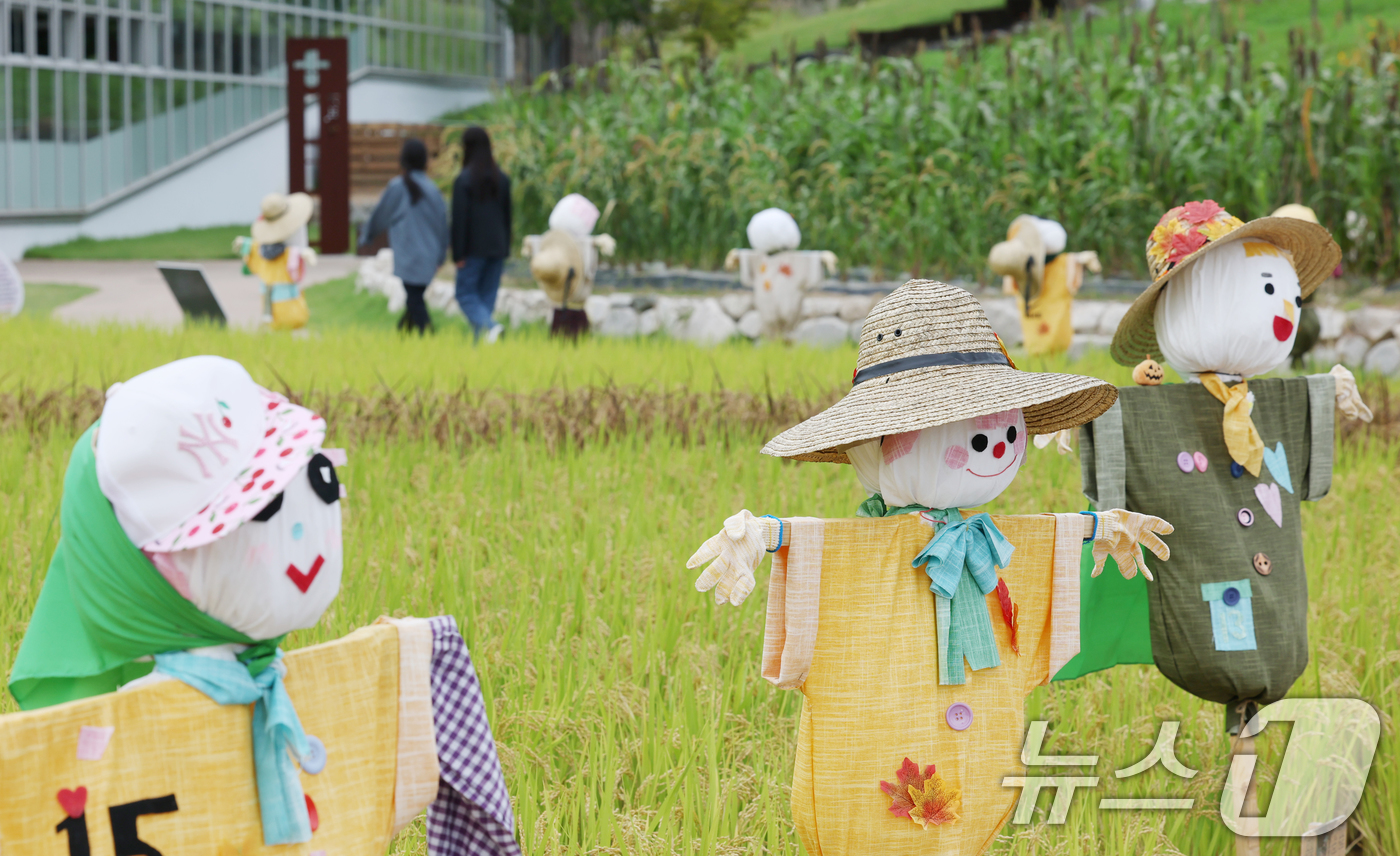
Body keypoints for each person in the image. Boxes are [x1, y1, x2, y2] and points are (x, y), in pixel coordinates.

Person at [686, 281, 1171, 854]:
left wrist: (1105, 525)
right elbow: (808, 538)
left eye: (1007, 432)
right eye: (964, 431)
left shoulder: (997, 536)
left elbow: (1049, 529)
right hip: (871, 780)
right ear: (877, 442)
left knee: (976, 791)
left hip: (983, 747)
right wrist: (760, 535)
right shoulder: (861, 548)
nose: (996, 449)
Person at [358, 138, 450, 335]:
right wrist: (441, 255)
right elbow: (443, 225)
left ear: (403, 160)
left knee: (414, 299)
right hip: (429, 256)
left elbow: (381, 214)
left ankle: (429, 335)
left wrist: (367, 236)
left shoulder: (398, 186)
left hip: (409, 256)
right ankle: (403, 334)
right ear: (426, 161)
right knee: (414, 296)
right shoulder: (433, 190)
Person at [451, 126, 512, 342]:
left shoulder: (464, 180)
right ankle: (482, 344)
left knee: (465, 295)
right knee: (485, 299)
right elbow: (507, 217)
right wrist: (506, 248)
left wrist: (457, 254)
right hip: (497, 247)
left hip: (472, 250)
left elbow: (459, 220)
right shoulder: (502, 179)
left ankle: (492, 327)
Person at [235, 192, 318, 331]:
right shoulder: (264, 248)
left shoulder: (265, 247)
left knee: (285, 316)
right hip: (279, 286)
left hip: (279, 285)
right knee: (284, 318)